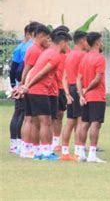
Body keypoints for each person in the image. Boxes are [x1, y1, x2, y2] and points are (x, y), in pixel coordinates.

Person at [18, 30, 72, 161]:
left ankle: (37, 152)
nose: (68, 47)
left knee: (36, 123)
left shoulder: (46, 52)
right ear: (62, 42)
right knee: (46, 122)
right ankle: (47, 152)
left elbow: (32, 70)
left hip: (33, 91)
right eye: (68, 44)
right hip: (39, 91)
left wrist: (26, 86)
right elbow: (41, 73)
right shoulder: (55, 56)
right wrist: (27, 86)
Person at [17, 24, 50, 158]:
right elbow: (27, 69)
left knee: (29, 118)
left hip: (29, 87)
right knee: (30, 119)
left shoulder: (36, 49)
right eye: (47, 38)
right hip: (31, 87)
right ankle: (26, 148)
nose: (48, 40)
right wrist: (23, 85)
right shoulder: (35, 50)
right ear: (40, 36)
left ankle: (26, 148)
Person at [76, 32, 107, 163]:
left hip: (86, 97)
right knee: (95, 124)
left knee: (84, 123)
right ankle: (92, 154)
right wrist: (87, 89)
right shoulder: (100, 58)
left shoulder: (84, 58)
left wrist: (81, 94)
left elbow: (78, 78)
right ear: (98, 42)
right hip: (97, 96)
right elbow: (98, 78)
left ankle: (81, 153)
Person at [60, 30, 88, 161]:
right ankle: (78, 151)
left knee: (70, 121)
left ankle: (65, 151)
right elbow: (82, 77)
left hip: (70, 89)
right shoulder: (83, 55)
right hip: (78, 89)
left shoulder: (69, 55)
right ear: (82, 41)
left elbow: (64, 77)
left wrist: (66, 93)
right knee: (81, 121)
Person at [8, 23, 35, 153]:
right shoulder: (32, 47)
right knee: (25, 115)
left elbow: (13, 68)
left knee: (18, 112)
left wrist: (13, 85)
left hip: (19, 83)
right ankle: (20, 143)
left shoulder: (19, 47)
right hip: (27, 84)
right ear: (30, 34)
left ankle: (14, 143)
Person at [52, 26, 70, 153]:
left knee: (60, 115)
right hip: (51, 87)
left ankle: (56, 142)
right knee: (48, 117)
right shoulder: (51, 52)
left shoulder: (68, 52)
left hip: (62, 88)